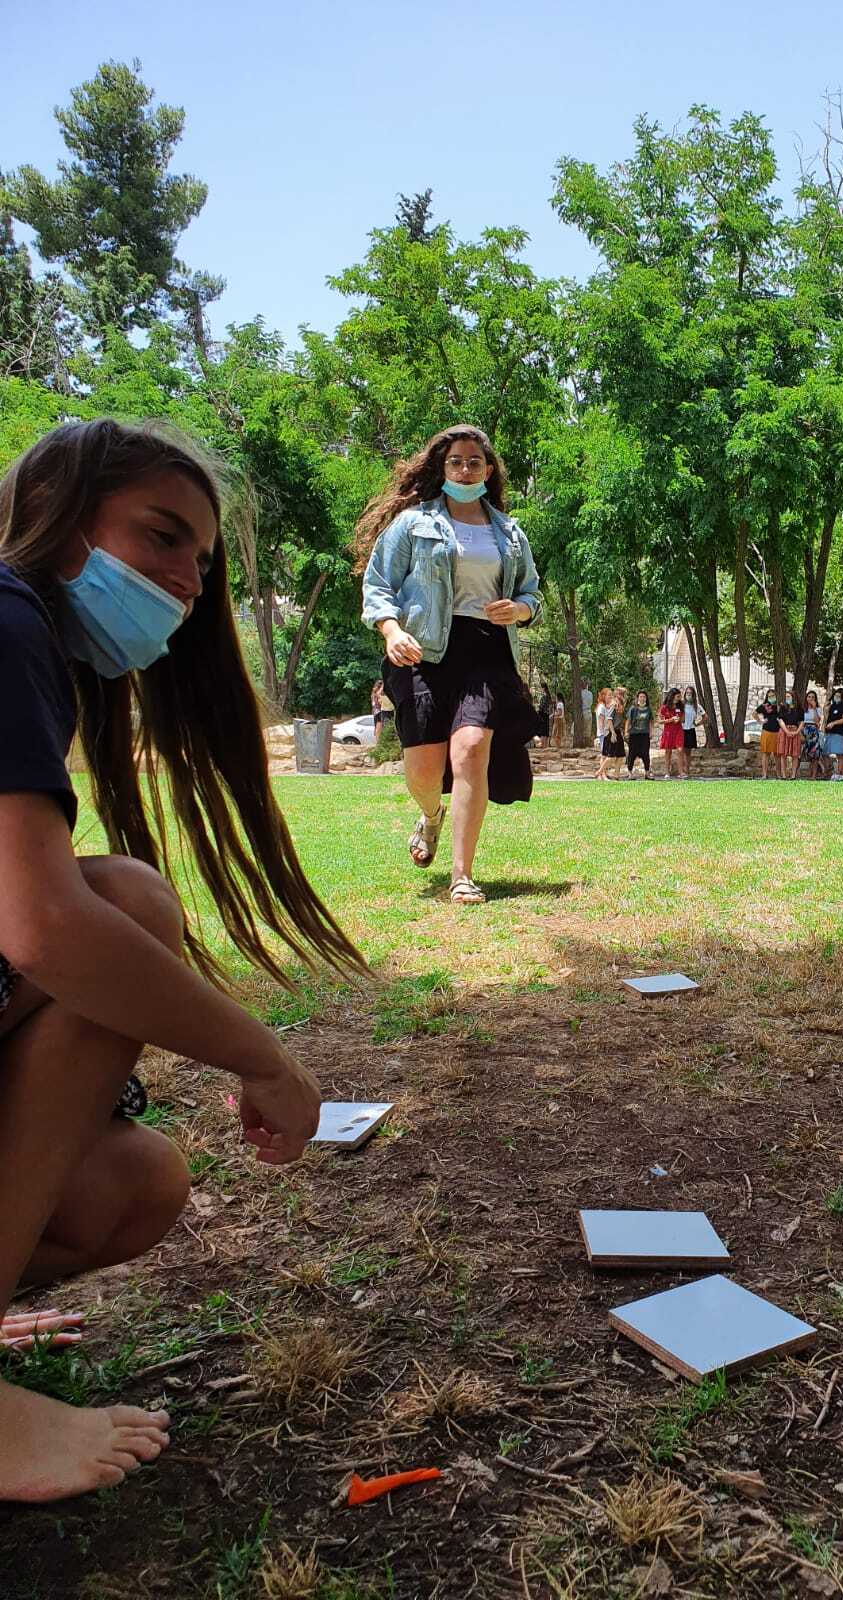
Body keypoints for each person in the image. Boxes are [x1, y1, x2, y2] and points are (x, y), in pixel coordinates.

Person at [0, 418, 365, 1504]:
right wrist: (266, 1059)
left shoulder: (44, 657)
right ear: (58, 509)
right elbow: (46, 928)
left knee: (131, 1184)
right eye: (162, 536)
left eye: (201, 561)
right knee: (124, 908)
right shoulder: (8, 614)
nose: (185, 580)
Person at [359, 424, 542, 905]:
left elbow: (531, 594)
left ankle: (462, 874)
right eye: (457, 461)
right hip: (423, 649)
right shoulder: (412, 523)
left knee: (472, 747)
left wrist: (519, 610)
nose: (466, 469)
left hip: (485, 648)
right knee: (423, 769)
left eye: (475, 462)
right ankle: (430, 815)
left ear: (489, 470)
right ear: (441, 469)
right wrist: (392, 630)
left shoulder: (508, 531)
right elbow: (378, 584)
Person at [625, 689, 654, 779]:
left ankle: (647, 773)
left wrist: (651, 732)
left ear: (646, 698)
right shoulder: (633, 708)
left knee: (646, 754)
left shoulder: (648, 709)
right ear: (637, 698)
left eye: (644, 697)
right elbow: (628, 721)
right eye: (640, 696)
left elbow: (650, 721)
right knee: (632, 754)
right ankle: (630, 773)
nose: (642, 698)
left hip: (644, 734)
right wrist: (626, 731)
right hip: (634, 734)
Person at [825, 688, 843, 778]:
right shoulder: (832, 706)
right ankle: (831, 772)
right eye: (835, 696)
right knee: (829, 753)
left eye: (839, 696)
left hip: (839, 733)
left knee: (840, 754)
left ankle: (840, 773)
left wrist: (834, 723)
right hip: (830, 732)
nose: (836, 697)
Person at [755, 690, 782, 778]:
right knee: (766, 754)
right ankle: (764, 775)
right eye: (769, 696)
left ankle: (778, 775)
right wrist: (760, 721)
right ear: (767, 697)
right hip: (766, 731)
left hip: (777, 732)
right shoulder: (764, 706)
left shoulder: (779, 706)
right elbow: (754, 713)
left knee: (777, 755)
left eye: (773, 695)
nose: (771, 697)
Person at [659, 687, 684, 778]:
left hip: (678, 730)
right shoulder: (664, 707)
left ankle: (681, 773)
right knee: (668, 751)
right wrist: (671, 719)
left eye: (679, 696)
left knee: (680, 750)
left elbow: (683, 719)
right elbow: (660, 721)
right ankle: (667, 772)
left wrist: (679, 720)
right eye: (678, 696)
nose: (679, 698)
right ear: (672, 696)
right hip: (668, 731)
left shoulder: (681, 706)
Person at [602, 686, 627, 778]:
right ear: (616, 694)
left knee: (620, 755)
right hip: (611, 731)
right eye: (620, 693)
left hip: (618, 731)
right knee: (610, 756)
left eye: (623, 694)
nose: (622, 695)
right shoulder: (614, 704)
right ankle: (600, 771)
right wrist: (613, 733)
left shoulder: (621, 704)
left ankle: (616, 775)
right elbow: (609, 719)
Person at [777, 690, 802, 779]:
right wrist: (786, 731)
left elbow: (802, 721)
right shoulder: (783, 708)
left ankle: (793, 775)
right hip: (784, 731)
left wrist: (797, 731)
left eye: (788, 697)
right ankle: (783, 775)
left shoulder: (799, 708)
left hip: (795, 731)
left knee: (795, 754)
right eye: (786, 697)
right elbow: (780, 720)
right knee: (783, 753)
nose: (787, 698)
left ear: (793, 698)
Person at [680, 686, 704, 777]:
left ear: (693, 695)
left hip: (690, 730)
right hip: (682, 730)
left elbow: (705, 717)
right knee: (680, 750)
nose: (688, 695)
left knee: (688, 752)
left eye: (690, 693)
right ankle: (681, 770)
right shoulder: (682, 704)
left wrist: (697, 724)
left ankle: (687, 770)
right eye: (687, 693)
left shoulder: (696, 706)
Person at [802, 690, 824, 779]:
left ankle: (813, 775)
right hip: (804, 730)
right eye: (809, 697)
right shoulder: (803, 709)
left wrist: (814, 708)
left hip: (814, 730)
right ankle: (806, 773)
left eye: (813, 697)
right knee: (805, 753)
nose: (810, 699)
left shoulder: (818, 709)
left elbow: (817, 721)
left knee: (814, 754)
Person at [593, 687, 613, 779]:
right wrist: (604, 734)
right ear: (604, 696)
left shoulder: (603, 706)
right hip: (603, 734)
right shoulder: (601, 707)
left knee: (604, 755)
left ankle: (601, 774)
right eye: (609, 695)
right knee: (604, 756)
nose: (611, 697)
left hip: (604, 734)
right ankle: (602, 774)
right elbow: (601, 722)